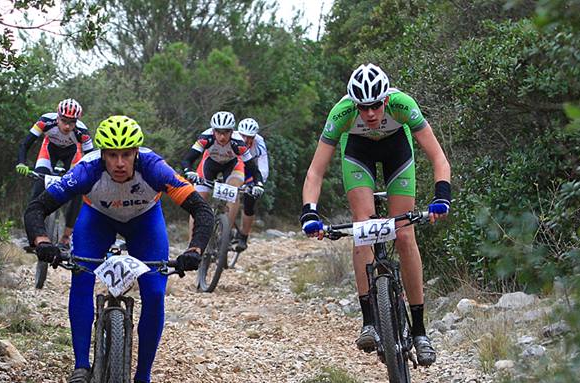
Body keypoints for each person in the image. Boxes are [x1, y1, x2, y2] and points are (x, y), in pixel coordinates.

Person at [24, 116, 215, 383]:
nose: (120, 162)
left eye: (126, 154)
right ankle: (81, 367)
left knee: (154, 293)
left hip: (144, 223)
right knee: (82, 277)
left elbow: (201, 210)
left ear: (137, 152)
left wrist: (195, 249)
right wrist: (41, 242)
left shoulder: (154, 168)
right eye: (112, 155)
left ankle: (142, 381)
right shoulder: (87, 170)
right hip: (96, 219)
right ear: (102, 154)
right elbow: (37, 207)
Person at [300, 63, 451, 366]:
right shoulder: (340, 114)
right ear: (354, 104)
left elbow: (438, 157)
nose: (370, 114)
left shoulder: (403, 105)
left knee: (405, 233)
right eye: (363, 107)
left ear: (386, 100)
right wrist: (309, 214)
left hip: (397, 150)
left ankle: (420, 330)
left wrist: (441, 197)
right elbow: (315, 172)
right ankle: (369, 320)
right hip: (358, 154)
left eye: (376, 106)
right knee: (363, 230)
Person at [16, 99, 93, 247]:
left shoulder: (82, 132)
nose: (67, 126)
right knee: (37, 192)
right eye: (63, 121)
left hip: (72, 155)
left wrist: (88, 179)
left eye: (72, 122)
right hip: (49, 151)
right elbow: (25, 144)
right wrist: (21, 163)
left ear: (77, 121)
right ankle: (34, 237)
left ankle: (66, 237)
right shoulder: (45, 121)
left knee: (78, 192)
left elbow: (91, 159)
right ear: (57, 117)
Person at [181, 111, 264, 244]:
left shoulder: (239, 143)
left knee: (233, 191)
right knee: (197, 201)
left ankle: (224, 234)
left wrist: (258, 184)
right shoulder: (206, 137)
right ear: (213, 130)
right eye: (218, 132)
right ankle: (192, 244)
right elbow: (188, 159)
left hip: (232, 166)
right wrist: (189, 171)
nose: (222, 136)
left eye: (226, 132)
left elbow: (253, 168)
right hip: (209, 165)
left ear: (232, 131)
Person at [234, 117, 270, 252]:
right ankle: (226, 227)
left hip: (250, 170)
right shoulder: (232, 137)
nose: (246, 140)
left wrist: (258, 184)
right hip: (234, 167)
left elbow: (263, 166)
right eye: (243, 136)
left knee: (249, 202)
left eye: (250, 137)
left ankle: (244, 235)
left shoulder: (259, 143)